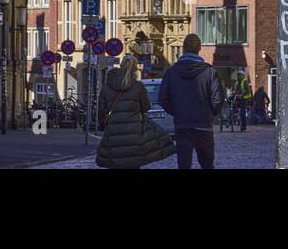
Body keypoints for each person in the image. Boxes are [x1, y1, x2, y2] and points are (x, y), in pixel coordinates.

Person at [95, 55, 174, 169]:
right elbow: (145, 107)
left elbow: (101, 110)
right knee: (133, 161)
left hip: (114, 132)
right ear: (135, 69)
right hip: (134, 132)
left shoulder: (107, 87)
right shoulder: (138, 86)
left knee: (115, 162)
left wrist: (104, 125)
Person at [157, 34, 224, 169]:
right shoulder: (209, 72)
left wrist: (177, 111)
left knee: (183, 164)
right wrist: (209, 113)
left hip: (183, 125)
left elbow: (163, 99)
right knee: (207, 164)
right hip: (203, 125)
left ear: (183, 49)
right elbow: (217, 99)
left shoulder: (171, 72)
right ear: (199, 48)